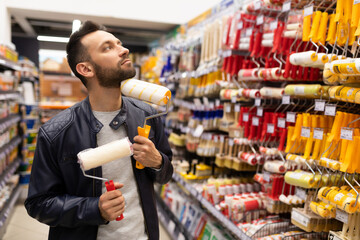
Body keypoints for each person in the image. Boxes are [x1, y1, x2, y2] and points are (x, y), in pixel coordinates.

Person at [24, 20, 173, 240]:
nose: (124, 50)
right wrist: (95, 209)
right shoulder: (55, 132)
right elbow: (38, 204)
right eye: (108, 47)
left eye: (119, 43)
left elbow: (166, 174)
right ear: (86, 68)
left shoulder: (146, 115)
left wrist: (158, 162)